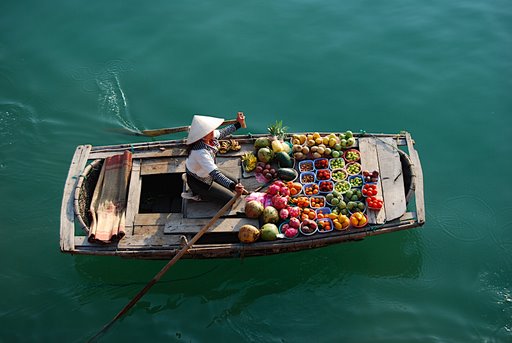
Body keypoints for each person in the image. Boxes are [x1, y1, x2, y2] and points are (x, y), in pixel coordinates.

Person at [185, 112, 246, 204]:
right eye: (210, 130)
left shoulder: (209, 137)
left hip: (207, 171)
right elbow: (216, 174)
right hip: (200, 181)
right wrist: (234, 187)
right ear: (203, 135)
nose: (213, 130)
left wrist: (238, 124)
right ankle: (197, 193)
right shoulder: (200, 153)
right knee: (231, 199)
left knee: (234, 180)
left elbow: (222, 133)